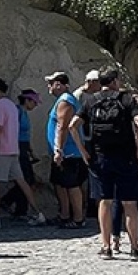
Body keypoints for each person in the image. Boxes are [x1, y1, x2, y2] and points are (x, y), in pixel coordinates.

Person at [68, 69, 138, 259]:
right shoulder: (126, 99)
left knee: (104, 201)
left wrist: (83, 151)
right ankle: (135, 247)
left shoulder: (90, 100)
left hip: (100, 158)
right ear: (114, 81)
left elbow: (72, 125)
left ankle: (106, 246)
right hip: (126, 157)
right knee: (130, 203)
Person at [0, 78, 46, 229]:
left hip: (2, 149)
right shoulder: (11, 106)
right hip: (14, 149)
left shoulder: (0, 105)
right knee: (22, 181)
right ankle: (38, 213)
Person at [46, 72, 88, 228]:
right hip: (64, 152)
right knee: (60, 184)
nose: (49, 86)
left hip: (69, 152)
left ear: (60, 84)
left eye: (51, 83)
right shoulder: (61, 100)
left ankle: (78, 218)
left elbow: (62, 127)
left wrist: (59, 149)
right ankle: (64, 215)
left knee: (72, 185)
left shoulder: (65, 101)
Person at [0, 89, 42, 216]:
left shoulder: (24, 113)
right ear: (27, 100)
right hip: (17, 146)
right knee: (26, 180)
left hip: (23, 147)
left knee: (27, 179)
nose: (35, 106)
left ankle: (20, 209)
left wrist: (30, 150)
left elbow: (26, 135)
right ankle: (8, 201)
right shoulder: (17, 112)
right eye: (34, 102)